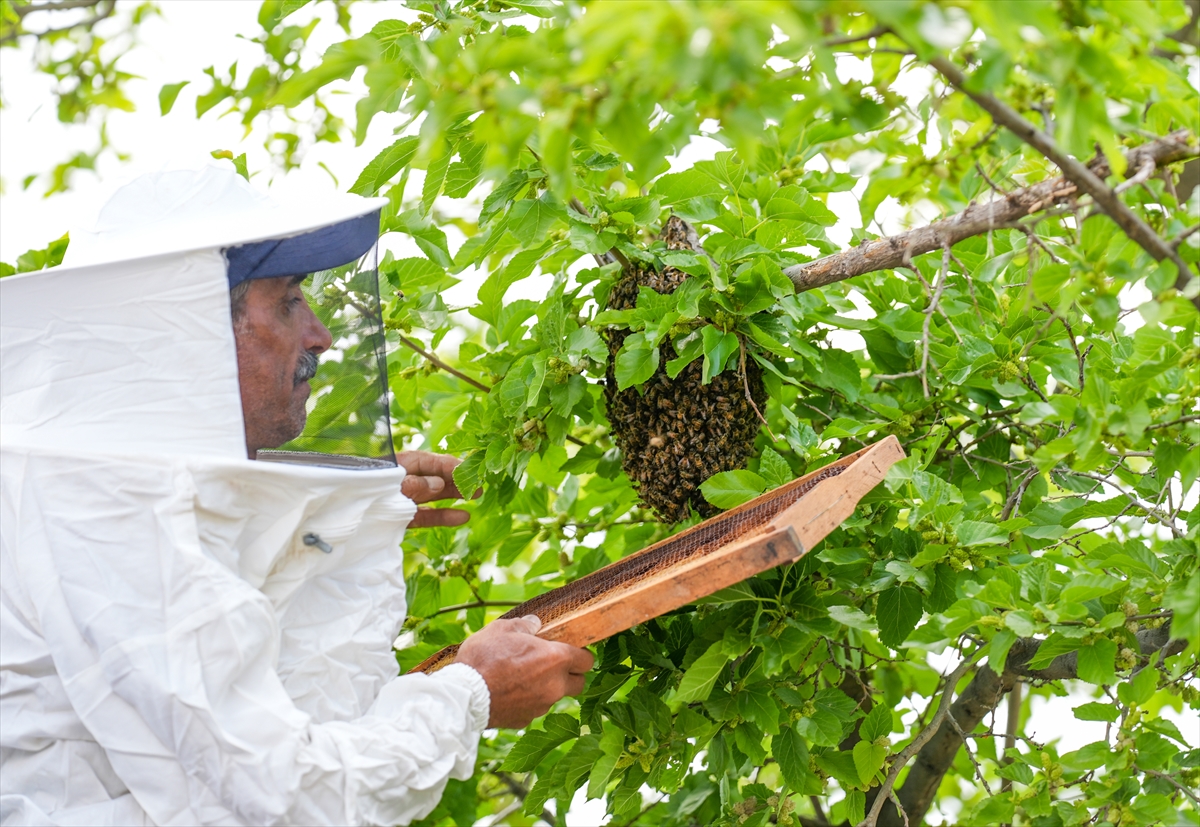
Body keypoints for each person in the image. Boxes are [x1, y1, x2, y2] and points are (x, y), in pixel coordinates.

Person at [0, 167, 592, 826]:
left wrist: (339, 507)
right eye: (287, 302)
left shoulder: (88, 475)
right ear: (192, 330)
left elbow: (237, 614)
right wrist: (472, 693)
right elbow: (285, 796)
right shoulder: (105, 506)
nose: (322, 335)